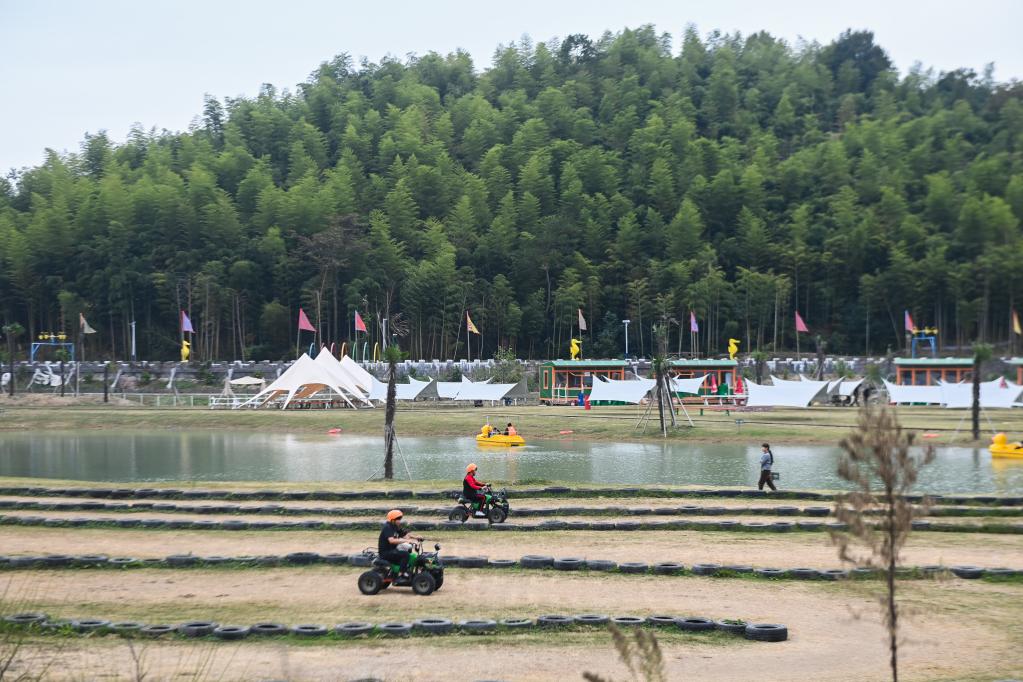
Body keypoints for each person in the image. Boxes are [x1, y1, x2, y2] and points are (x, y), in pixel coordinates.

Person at [378, 509, 423, 578]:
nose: (400, 520)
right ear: (392, 520)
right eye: (398, 519)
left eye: (400, 518)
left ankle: (406, 570)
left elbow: (405, 535)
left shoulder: (395, 527)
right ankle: (401, 573)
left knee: (409, 552)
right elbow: (391, 540)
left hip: (392, 550)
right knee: (405, 555)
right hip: (385, 553)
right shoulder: (387, 527)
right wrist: (406, 541)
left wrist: (416, 537)